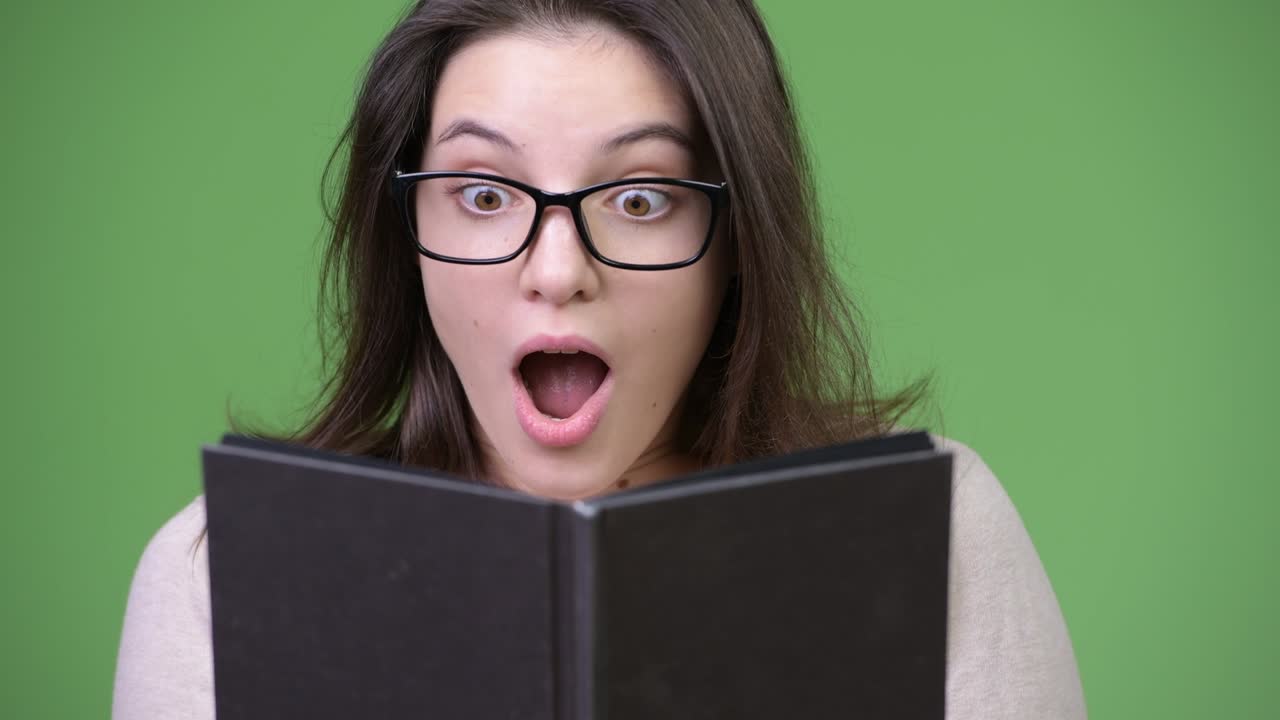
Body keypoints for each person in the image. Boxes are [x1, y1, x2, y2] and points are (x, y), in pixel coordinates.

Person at [112, 0, 1086, 717]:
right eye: (484, 194)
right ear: (402, 229)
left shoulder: (933, 530)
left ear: (735, 240)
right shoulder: (213, 572)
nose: (556, 270)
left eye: (639, 198)